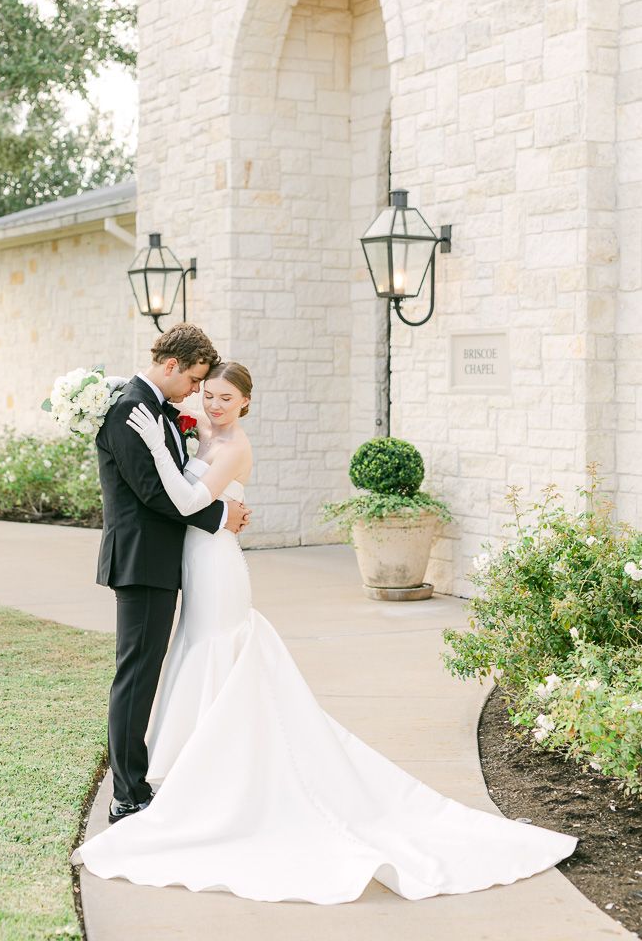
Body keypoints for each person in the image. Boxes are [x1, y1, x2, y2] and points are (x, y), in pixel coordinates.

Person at [74, 359, 578, 904]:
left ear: (245, 402)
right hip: (192, 560)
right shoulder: (197, 434)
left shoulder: (234, 445)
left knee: (218, 656)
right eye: (208, 394)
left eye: (223, 397)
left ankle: (218, 782)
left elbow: (188, 501)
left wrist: (182, 474)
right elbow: (182, 495)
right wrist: (168, 450)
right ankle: (195, 775)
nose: (212, 403)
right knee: (193, 656)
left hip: (216, 564)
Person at [94, 324, 250, 821]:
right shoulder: (130, 409)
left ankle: (139, 782)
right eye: (194, 381)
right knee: (136, 677)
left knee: (148, 673)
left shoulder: (154, 408)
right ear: (170, 366)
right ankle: (127, 793)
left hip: (168, 561)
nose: (194, 395)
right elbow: (152, 493)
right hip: (142, 560)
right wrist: (219, 517)